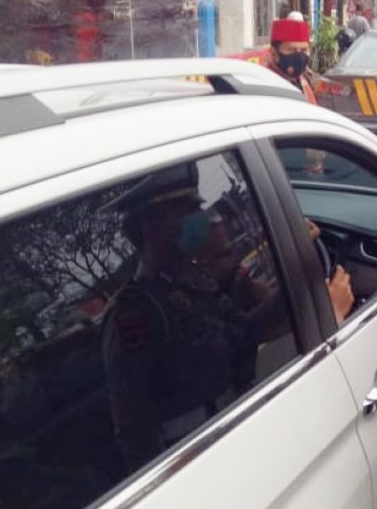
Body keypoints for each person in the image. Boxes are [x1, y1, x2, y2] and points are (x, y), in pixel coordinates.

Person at [101, 166, 261, 470]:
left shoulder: (194, 279)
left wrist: (301, 279)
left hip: (236, 430)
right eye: (189, 209)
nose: (202, 217)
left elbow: (245, 332)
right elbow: (134, 428)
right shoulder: (136, 309)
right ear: (153, 227)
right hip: (194, 462)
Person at [267, 17, 317, 104]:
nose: (299, 56)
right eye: (291, 50)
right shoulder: (265, 85)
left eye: (304, 50)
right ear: (274, 53)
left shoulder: (304, 81)